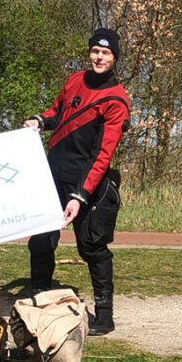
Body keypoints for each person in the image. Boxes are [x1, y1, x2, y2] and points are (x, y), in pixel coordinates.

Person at [24, 28, 130, 336]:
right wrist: (39, 121)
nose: (99, 57)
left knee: (92, 248)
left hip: (88, 184)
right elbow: (57, 112)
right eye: (95, 51)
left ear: (114, 58)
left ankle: (105, 316)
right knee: (41, 241)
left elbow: (103, 154)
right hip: (53, 176)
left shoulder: (116, 100)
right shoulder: (74, 80)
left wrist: (80, 194)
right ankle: (40, 303)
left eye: (106, 53)